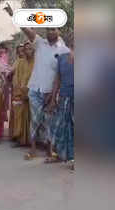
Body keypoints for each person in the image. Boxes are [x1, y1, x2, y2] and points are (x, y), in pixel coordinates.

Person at [4, 4, 70, 160]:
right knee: (35, 120)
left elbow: (61, 75)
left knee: (49, 122)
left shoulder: (64, 50)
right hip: (34, 90)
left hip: (50, 92)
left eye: (53, 29)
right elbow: (26, 30)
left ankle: (50, 151)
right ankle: (32, 150)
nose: (50, 32)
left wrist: (54, 96)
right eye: (48, 29)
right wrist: (14, 15)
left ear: (58, 30)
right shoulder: (40, 43)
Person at [45, 36, 74, 169]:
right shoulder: (61, 58)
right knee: (59, 127)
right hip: (64, 98)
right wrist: (53, 99)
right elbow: (57, 79)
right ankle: (60, 155)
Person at [10, 42, 35, 147]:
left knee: (32, 118)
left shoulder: (37, 62)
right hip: (21, 93)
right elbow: (16, 79)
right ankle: (21, 140)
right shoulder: (20, 62)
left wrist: (30, 91)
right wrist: (21, 92)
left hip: (34, 93)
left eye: (30, 49)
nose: (27, 51)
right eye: (26, 49)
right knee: (20, 117)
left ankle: (33, 141)